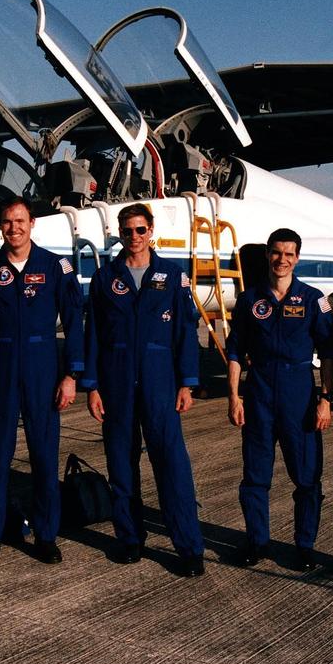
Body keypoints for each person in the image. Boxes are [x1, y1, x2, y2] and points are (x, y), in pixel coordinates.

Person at [80, 203, 207, 578]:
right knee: (121, 463)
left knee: (172, 465)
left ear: (151, 231)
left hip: (160, 384)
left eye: (140, 230)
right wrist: (92, 386)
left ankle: (188, 546)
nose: (133, 237)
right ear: (120, 233)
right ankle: (131, 539)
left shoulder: (172, 276)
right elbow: (94, 337)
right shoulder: (106, 279)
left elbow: (185, 333)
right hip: (116, 384)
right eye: (127, 231)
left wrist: (188, 382)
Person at [0, 197, 84, 565]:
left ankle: (46, 535)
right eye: (6, 222)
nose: (13, 228)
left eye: (20, 221)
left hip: (43, 370)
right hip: (0, 368)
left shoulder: (55, 267)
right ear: (0, 227)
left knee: (44, 457)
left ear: (32, 223)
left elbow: (75, 321)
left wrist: (71, 374)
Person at [225, 228, 333, 572]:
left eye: (289, 254)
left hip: (299, 395)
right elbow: (235, 351)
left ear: (298, 258)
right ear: (268, 255)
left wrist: (325, 399)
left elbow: (328, 349)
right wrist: (234, 395)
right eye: (276, 253)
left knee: (306, 477)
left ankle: (304, 546)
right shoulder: (249, 300)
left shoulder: (314, 299)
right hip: (259, 393)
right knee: (255, 476)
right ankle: (257, 541)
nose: (282, 259)